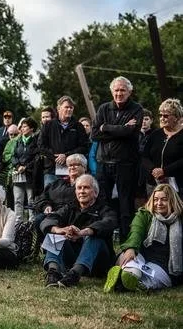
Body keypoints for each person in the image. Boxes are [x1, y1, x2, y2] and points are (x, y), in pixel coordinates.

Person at [41, 174, 118, 288]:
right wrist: (60, 230)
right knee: (54, 235)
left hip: (97, 262)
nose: (82, 191)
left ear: (95, 193)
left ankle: (75, 274)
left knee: (94, 238)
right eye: (79, 188)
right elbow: (48, 220)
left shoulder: (105, 209)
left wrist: (83, 232)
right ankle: (53, 272)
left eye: (86, 188)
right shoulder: (69, 208)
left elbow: (110, 222)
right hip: (73, 256)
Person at [104, 184, 183, 292]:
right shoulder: (144, 214)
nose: (159, 203)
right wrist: (131, 248)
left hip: (163, 266)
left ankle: (121, 283)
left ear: (172, 201)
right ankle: (124, 277)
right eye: (156, 200)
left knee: (148, 281)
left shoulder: (180, 219)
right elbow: (136, 232)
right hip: (140, 256)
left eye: (164, 200)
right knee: (132, 270)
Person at [91, 76, 143, 240]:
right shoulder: (103, 108)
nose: (119, 93)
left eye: (122, 90)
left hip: (125, 164)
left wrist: (106, 127)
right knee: (103, 202)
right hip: (103, 164)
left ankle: (125, 242)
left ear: (129, 91)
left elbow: (132, 134)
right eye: (116, 90)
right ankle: (103, 239)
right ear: (111, 91)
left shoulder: (137, 109)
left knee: (125, 204)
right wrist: (121, 129)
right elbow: (94, 134)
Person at [38, 96, 89, 188]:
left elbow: (84, 147)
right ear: (58, 108)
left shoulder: (78, 126)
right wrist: (55, 157)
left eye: (71, 107)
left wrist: (66, 155)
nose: (69, 109)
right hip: (51, 169)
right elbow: (41, 146)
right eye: (66, 107)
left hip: (73, 171)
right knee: (50, 198)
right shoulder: (48, 125)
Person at [141, 99, 183, 193]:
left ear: (176, 117)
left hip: (178, 185)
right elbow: (145, 156)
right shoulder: (156, 134)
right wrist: (153, 170)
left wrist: (165, 171)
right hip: (154, 184)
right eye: (160, 115)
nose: (162, 118)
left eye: (166, 116)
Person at [33, 154, 88, 224]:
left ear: (85, 167)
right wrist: (46, 206)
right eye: (70, 165)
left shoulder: (89, 184)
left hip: (75, 217)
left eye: (76, 164)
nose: (72, 167)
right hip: (52, 215)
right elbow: (42, 198)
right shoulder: (57, 183)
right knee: (39, 219)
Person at [11, 117, 39, 223]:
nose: (22, 128)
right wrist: (18, 166)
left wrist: (26, 167)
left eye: (25, 126)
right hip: (18, 175)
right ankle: (18, 222)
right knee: (18, 200)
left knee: (31, 199)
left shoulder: (35, 141)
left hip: (30, 175)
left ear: (31, 128)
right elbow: (13, 156)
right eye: (22, 126)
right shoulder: (18, 142)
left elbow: (36, 157)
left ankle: (32, 222)